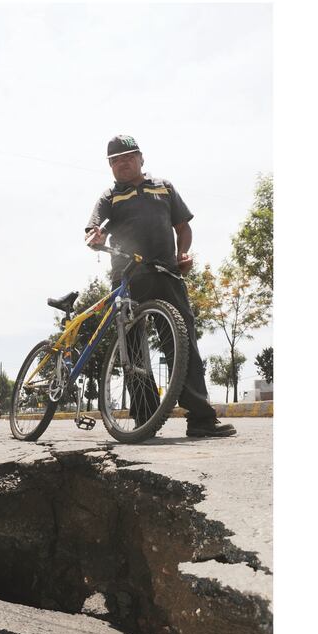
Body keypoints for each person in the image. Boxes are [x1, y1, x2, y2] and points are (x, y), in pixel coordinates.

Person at [84, 134, 235, 438]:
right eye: (115, 161)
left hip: (167, 273)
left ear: (141, 158)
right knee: (133, 349)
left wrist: (182, 253)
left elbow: (183, 226)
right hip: (127, 278)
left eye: (128, 157)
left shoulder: (164, 187)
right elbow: (93, 228)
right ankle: (144, 416)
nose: (122, 164)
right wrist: (94, 236)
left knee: (182, 342)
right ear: (110, 167)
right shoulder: (110, 196)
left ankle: (201, 419)